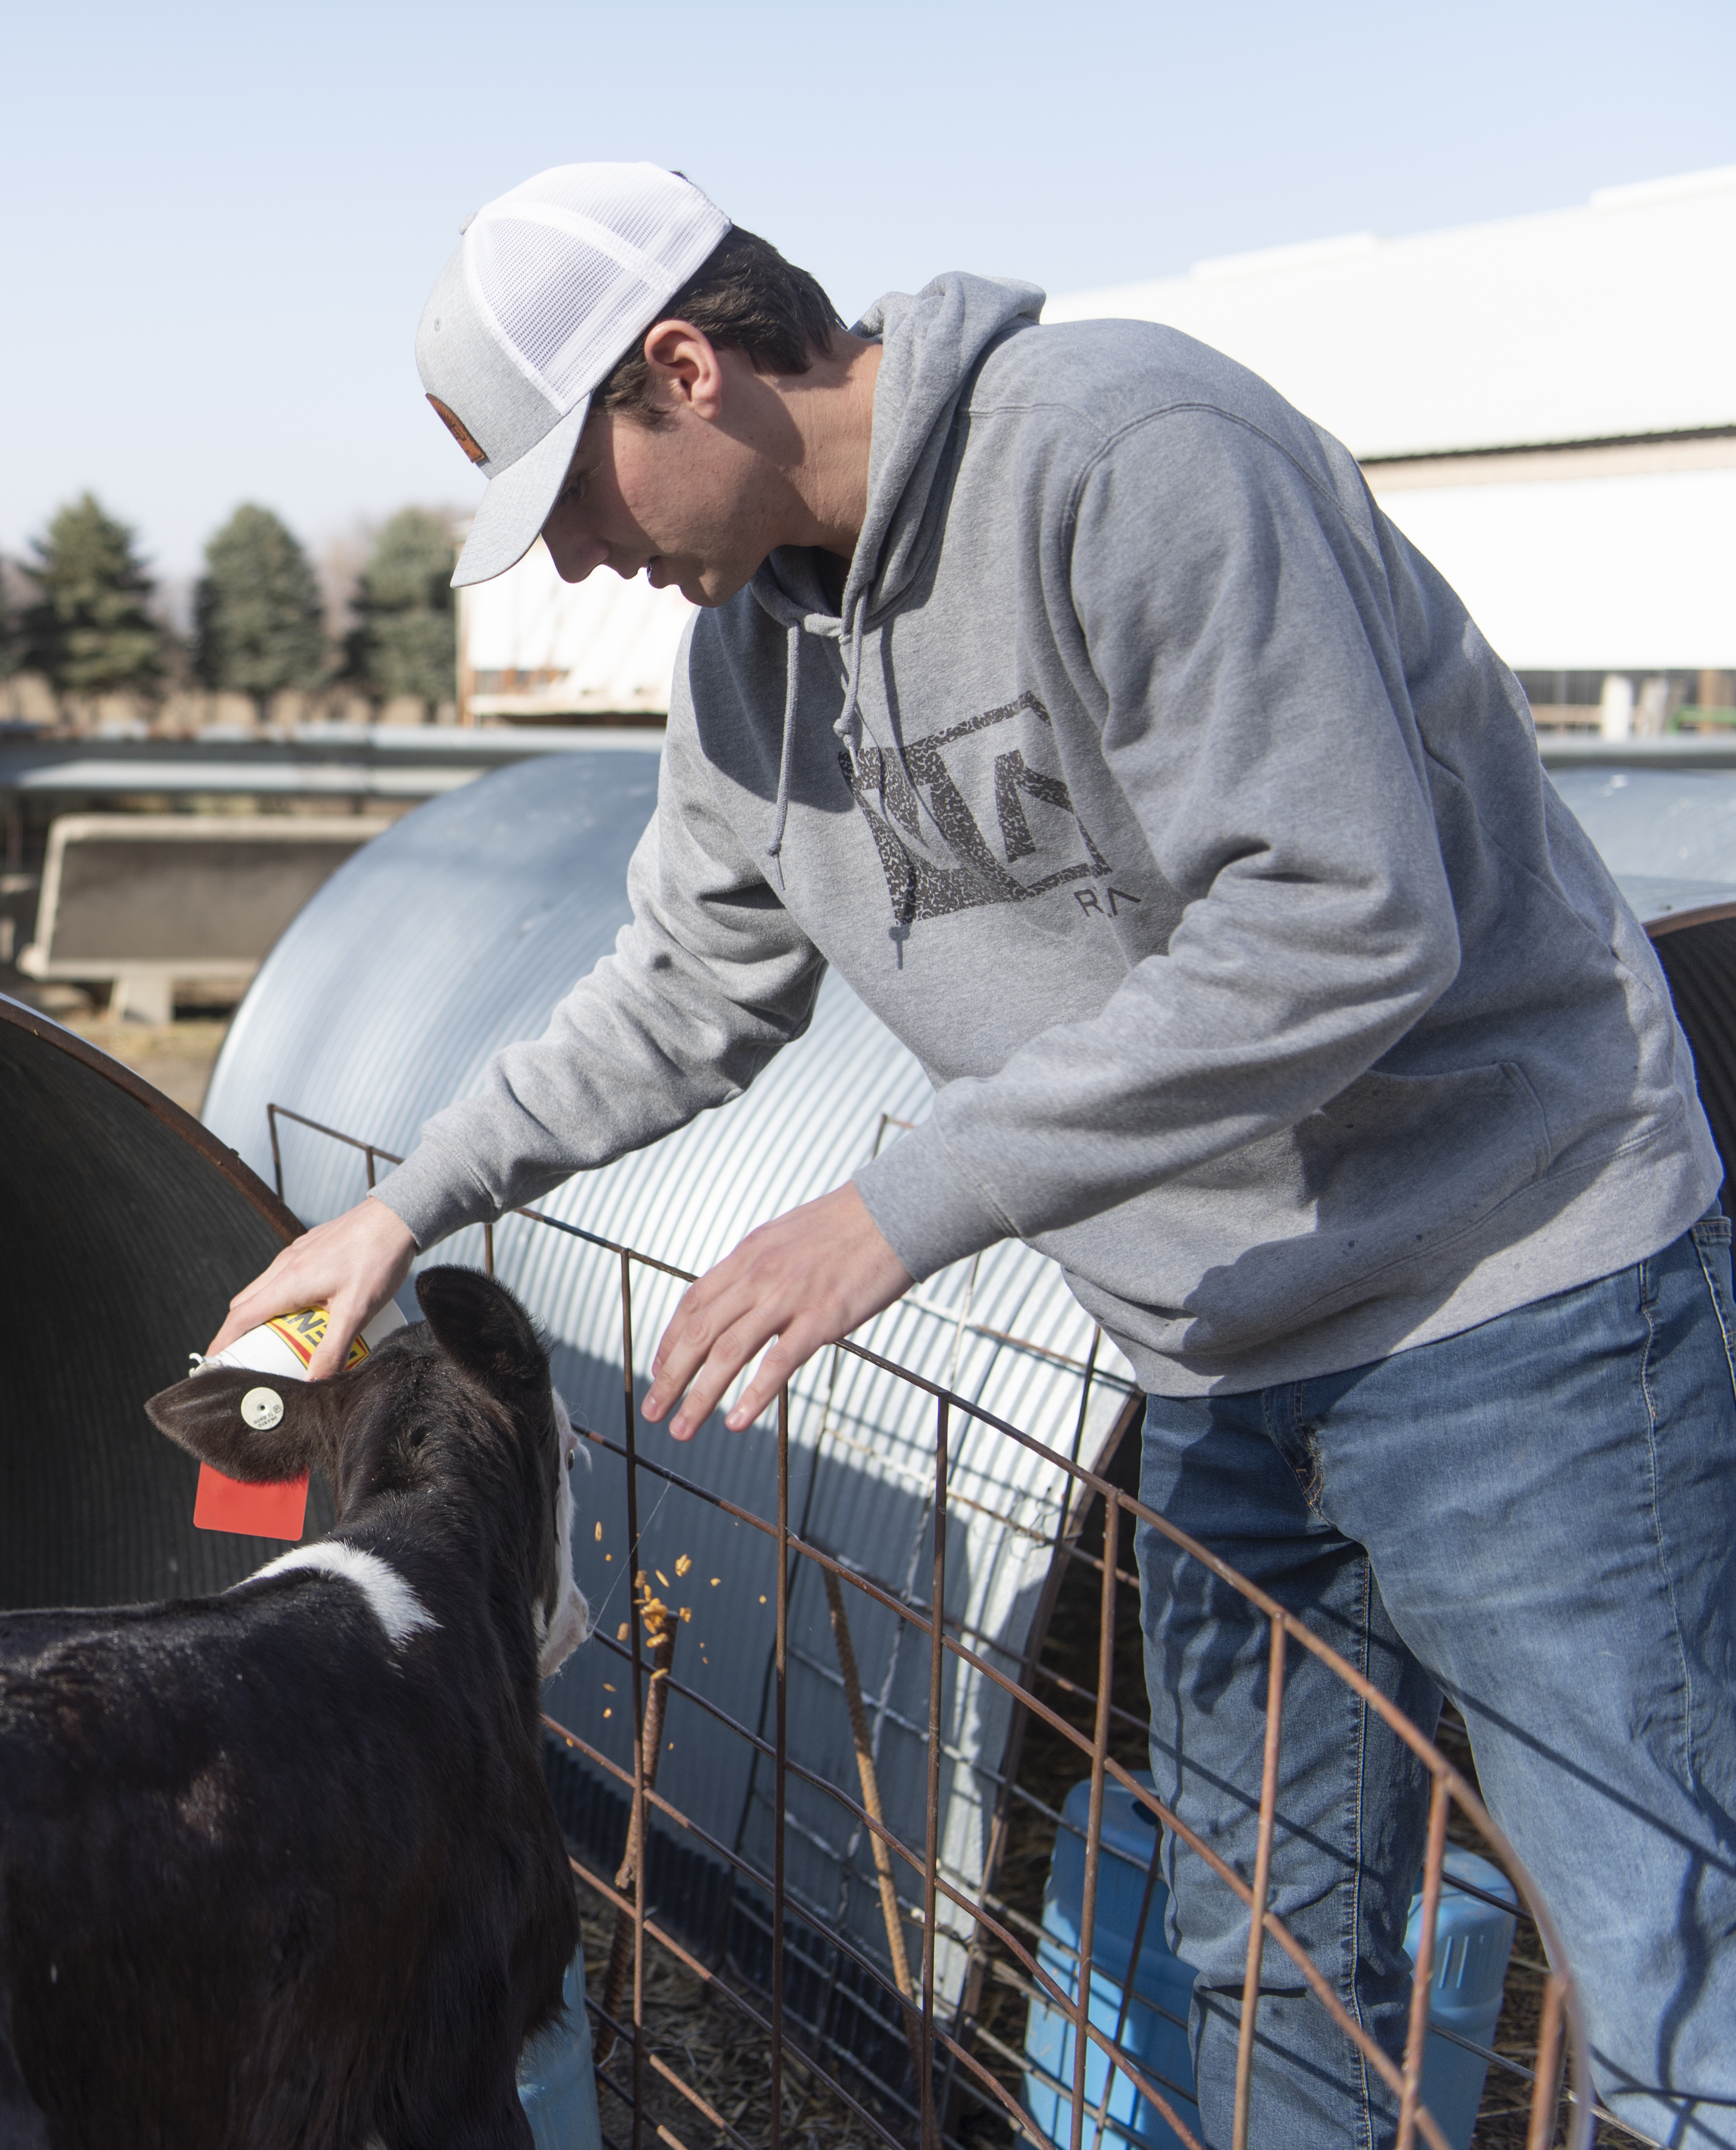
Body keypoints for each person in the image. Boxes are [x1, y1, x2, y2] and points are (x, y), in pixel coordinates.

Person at [209, 161, 1736, 2150]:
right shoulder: (752, 669)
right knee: (1272, 1955)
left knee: (1663, 1958)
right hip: (1215, 1352)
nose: (579, 561)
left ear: (684, 370)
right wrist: (405, 1203)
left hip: (1510, 1297)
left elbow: (1343, 918)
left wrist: (900, 1204)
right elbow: (681, 992)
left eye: (576, 497)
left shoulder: (1128, 457)